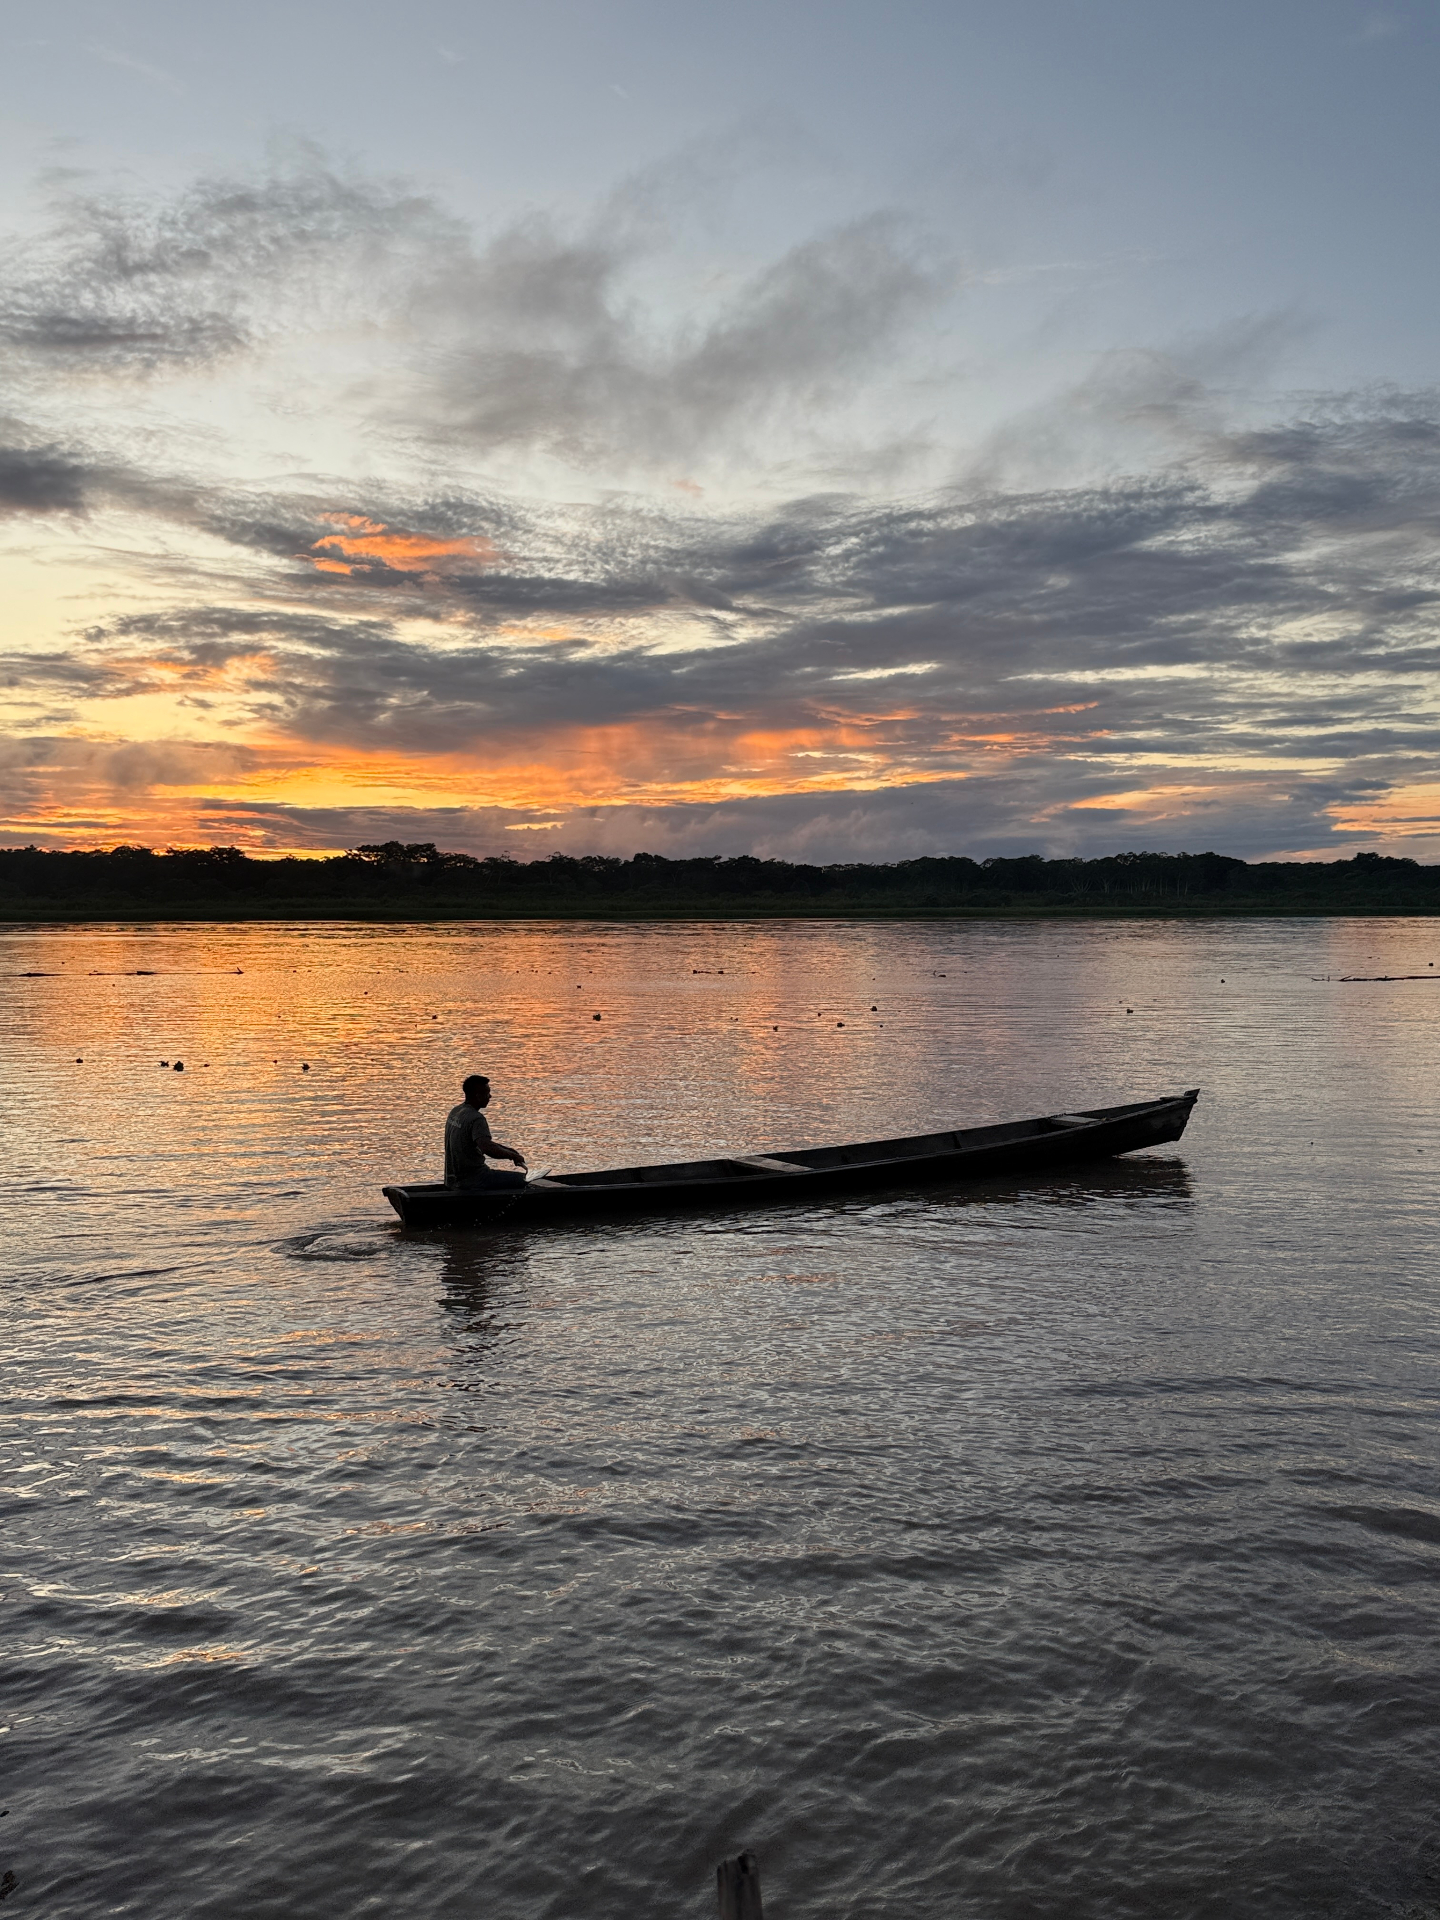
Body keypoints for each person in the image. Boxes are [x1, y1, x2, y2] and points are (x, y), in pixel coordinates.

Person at [444, 1074, 528, 1190]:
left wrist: (510, 1151)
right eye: (487, 1093)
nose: (490, 1096)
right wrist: (511, 1156)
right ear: (478, 1096)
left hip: (452, 1180)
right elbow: (487, 1148)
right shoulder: (476, 1118)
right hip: (475, 1180)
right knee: (527, 1180)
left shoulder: (455, 1112)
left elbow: (484, 1142)